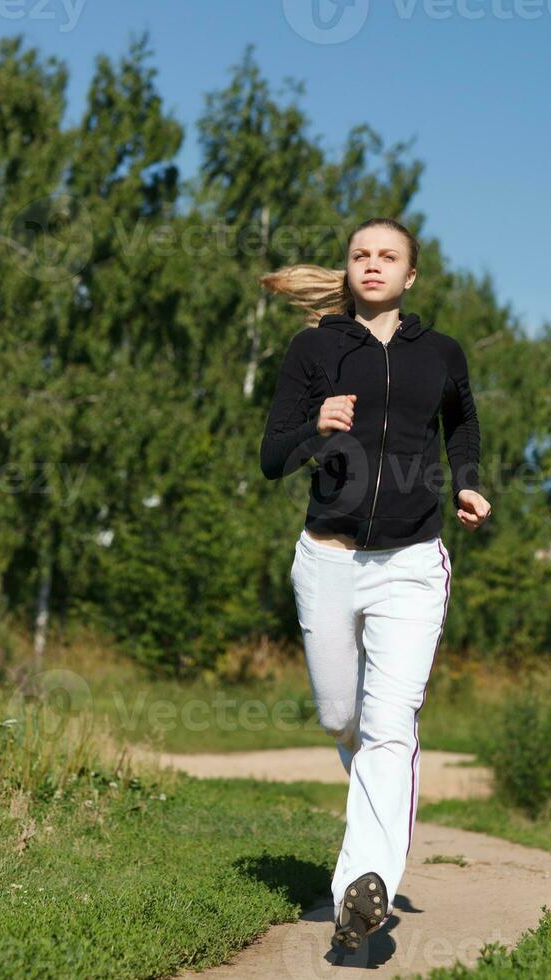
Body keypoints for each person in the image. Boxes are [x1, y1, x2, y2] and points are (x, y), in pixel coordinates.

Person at [258, 217, 492, 952]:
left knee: (390, 728)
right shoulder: (314, 349)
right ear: (348, 268)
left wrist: (470, 485)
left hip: (411, 563)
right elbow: (271, 454)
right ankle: (367, 863)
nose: (372, 264)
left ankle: (366, 887)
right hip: (326, 558)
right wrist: (314, 430)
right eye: (361, 254)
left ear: (410, 275)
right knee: (342, 719)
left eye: (388, 256)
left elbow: (463, 426)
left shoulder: (441, 354)